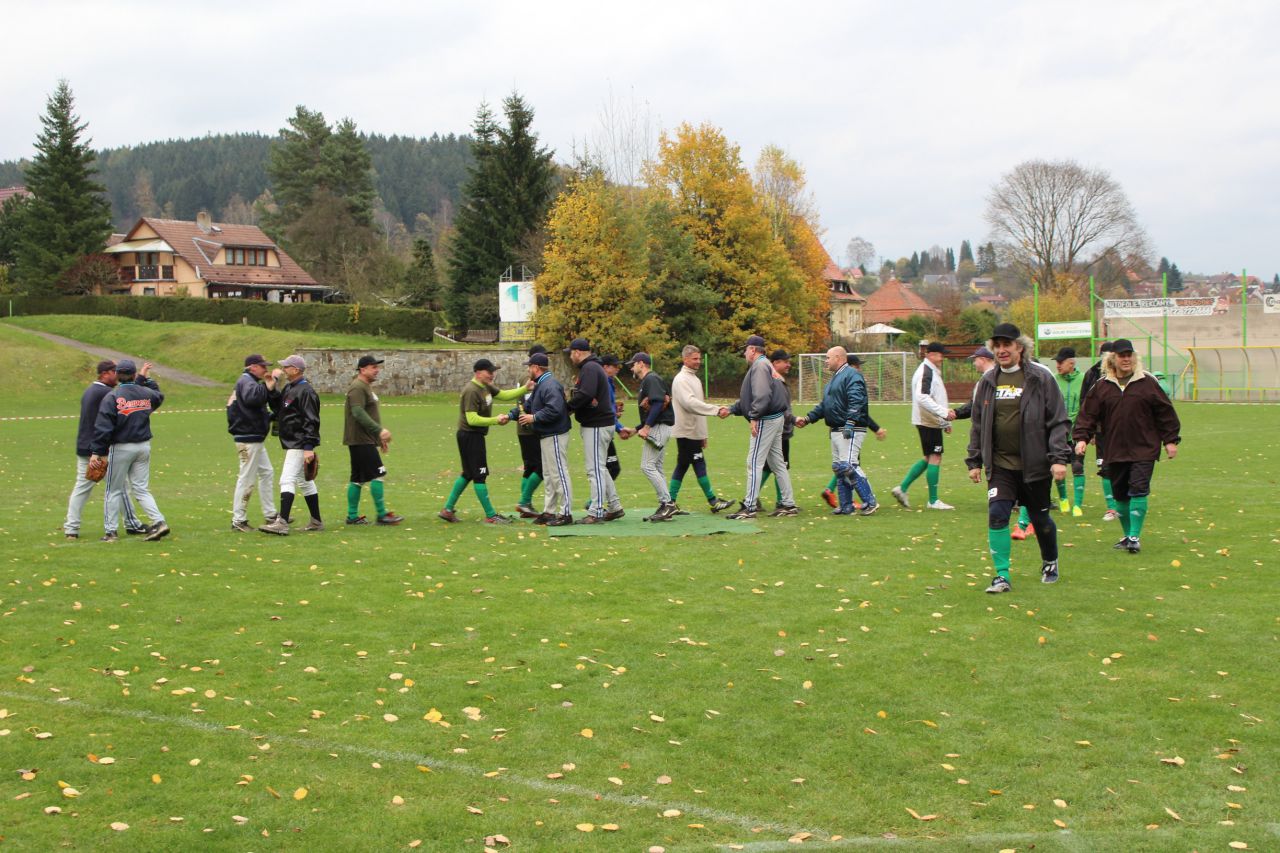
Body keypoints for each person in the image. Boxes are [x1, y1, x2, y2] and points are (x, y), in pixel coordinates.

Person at [964, 324, 1071, 593]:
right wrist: (974, 461)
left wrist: (1059, 458)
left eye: (1007, 345)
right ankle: (1002, 575)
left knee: (1040, 520)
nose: (1001, 350)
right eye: (997, 346)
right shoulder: (988, 381)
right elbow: (978, 423)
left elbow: (1058, 421)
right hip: (1001, 465)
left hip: (1035, 465)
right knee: (997, 514)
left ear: (1019, 348)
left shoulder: (1041, 377)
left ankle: (1050, 561)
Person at [1072, 338, 1181, 554]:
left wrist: (1170, 440)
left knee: (1138, 489)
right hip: (1114, 449)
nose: (1126, 359)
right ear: (1112, 359)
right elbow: (1087, 414)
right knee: (1120, 495)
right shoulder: (1102, 386)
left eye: (1129, 355)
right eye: (1122, 355)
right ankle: (1128, 535)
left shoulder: (1147, 382)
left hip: (1144, 448)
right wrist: (1082, 438)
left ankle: (1134, 536)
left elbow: (1165, 412)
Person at [64, 360, 147, 540]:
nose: (117, 375)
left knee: (82, 488)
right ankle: (132, 524)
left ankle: (71, 528)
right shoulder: (106, 393)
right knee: (120, 487)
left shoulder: (90, 390)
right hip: (99, 449)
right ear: (104, 374)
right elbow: (129, 395)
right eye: (113, 372)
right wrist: (140, 379)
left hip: (85, 446)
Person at [89, 359, 170, 542]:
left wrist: (97, 452)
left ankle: (111, 532)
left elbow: (103, 427)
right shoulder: (146, 393)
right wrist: (146, 378)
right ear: (134, 375)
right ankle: (159, 521)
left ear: (117, 375)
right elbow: (158, 396)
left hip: (121, 448)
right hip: (143, 446)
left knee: (113, 490)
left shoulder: (112, 396)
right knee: (141, 489)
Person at [439, 358, 527, 524]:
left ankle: (447, 510)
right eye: (489, 372)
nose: (492, 375)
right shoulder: (471, 390)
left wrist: (526, 388)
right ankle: (491, 515)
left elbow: (503, 395)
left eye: (493, 372)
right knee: (479, 475)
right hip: (470, 435)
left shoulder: (486, 386)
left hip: (474, 435)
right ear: (478, 373)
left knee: (468, 474)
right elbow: (471, 419)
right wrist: (496, 420)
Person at [796, 346, 879, 516]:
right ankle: (846, 505)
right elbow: (825, 406)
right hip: (835, 429)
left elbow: (857, 400)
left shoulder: (852, 375)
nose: (825, 361)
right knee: (839, 467)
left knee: (848, 465)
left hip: (849, 428)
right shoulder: (834, 379)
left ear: (839, 358)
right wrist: (808, 418)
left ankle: (870, 501)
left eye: (828, 358)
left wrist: (850, 422)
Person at [727, 335, 796, 519]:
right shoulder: (766, 365)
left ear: (752, 350)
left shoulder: (759, 366)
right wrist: (733, 409)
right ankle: (788, 504)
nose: (744, 353)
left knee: (754, 462)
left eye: (745, 350)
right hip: (776, 418)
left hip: (766, 419)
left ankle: (749, 506)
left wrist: (755, 416)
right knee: (777, 463)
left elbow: (762, 394)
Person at [260, 355, 323, 535]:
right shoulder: (290, 387)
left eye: (286, 367)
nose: (284, 369)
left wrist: (308, 447)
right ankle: (316, 521)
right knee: (305, 481)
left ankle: (282, 523)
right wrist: (272, 389)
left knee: (286, 479)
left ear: (296, 370)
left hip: (299, 442)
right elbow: (280, 409)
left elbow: (312, 420)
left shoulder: (306, 391)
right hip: (293, 441)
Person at [667, 345, 734, 514]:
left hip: (693, 432)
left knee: (684, 464)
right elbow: (690, 404)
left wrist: (703, 434)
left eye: (699, 358)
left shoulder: (694, 379)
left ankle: (670, 502)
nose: (698, 362)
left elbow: (698, 408)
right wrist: (716, 410)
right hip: (686, 431)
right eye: (694, 359)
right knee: (697, 463)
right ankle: (712, 501)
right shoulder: (681, 379)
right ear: (685, 359)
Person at [892, 342, 957, 510]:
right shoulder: (926, 371)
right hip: (928, 420)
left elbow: (935, 396)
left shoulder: (930, 370)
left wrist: (945, 421)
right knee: (935, 456)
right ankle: (933, 501)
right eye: (941, 354)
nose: (943, 358)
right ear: (931, 354)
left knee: (929, 457)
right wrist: (943, 413)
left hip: (930, 420)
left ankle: (902, 488)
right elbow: (922, 397)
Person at [565, 338, 624, 524]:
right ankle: (614, 506)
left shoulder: (589, 368)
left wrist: (567, 408)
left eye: (571, 353)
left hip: (596, 424)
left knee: (595, 469)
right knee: (600, 468)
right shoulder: (594, 367)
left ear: (577, 352)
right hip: (601, 423)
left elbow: (585, 394)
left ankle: (596, 510)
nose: (570, 357)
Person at [343, 355, 404, 526]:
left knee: (358, 479)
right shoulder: (357, 387)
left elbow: (368, 414)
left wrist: (378, 437)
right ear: (363, 369)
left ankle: (352, 516)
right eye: (373, 367)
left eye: (377, 367)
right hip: (361, 440)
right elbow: (358, 412)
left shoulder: (364, 386)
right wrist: (379, 430)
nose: (377, 370)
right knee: (378, 474)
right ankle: (382, 514)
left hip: (363, 439)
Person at [821, 353, 887, 509]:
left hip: (846, 428)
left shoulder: (847, 380)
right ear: (848, 365)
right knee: (846, 465)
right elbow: (855, 408)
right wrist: (875, 428)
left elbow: (856, 407)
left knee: (845, 464)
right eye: (857, 366)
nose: (859, 369)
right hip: (846, 428)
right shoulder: (845, 380)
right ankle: (857, 503)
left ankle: (854, 502)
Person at [517, 352, 574, 526]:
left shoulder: (550, 385)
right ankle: (549, 511)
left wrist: (534, 418)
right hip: (546, 434)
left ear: (536, 368)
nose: (528, 370)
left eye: (529, 367)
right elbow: (527, 406)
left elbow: (554, 410)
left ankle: (566, 513)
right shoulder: (541, 384)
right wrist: (510, 415)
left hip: (555, 434)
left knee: (558, 474)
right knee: (549, 475)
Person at [621, 352, 677, 521]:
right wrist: (635, 429)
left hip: (658, 427)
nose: (631, 368)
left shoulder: (651, 379)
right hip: (660, 426)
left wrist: (646, 427)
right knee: (657, 467)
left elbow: (658, 403)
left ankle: (668, 504)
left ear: (641, 363)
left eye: (633, 364)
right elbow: (654, 408)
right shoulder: (650, 380)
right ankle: (666, 506)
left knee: (647, 466)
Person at [227, 354, 279, 532]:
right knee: (247, 478)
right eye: (263, 366)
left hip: (252, 437)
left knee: (267, 473)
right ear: (253, 367)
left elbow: (252, 408)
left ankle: (270, 514)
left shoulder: (248, 382)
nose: (266, 369)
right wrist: (270, 383)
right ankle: (238, 520)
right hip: (248, 438)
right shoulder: (246, 382)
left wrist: (269, 416)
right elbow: (253, 399)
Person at [1080, 341, 1121, 521]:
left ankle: (1124, 503)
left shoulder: (1126, 373)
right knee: (1105, 468)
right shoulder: (1092, 374)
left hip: (1123, 430)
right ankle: (1111, 508)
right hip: (1102, 431)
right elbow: (1085, 404)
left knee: (1124, 467)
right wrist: (1090, 431)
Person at [583, 354, 626, 513]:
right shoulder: (603, 382)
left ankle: (604, 504)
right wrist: (619, 427)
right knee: (607, 467)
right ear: (605, 367)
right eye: (615, 366)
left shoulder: (608, 382)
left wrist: (616, 417)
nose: (618, 369)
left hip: (603, 428)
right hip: (601, 428)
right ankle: (601, 503)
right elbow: (601, 407)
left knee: (605, 467)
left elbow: (606, 407)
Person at [513, 344, 549, 519]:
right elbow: (531, 403)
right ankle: (524, 501)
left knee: (529, 468)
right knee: (541, 467)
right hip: (530, 427)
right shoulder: (531, 378)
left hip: (523, 427)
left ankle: (525, 505)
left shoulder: (523, 376)